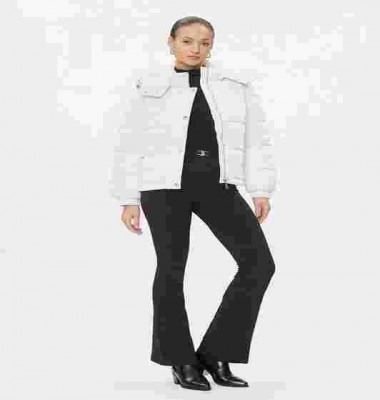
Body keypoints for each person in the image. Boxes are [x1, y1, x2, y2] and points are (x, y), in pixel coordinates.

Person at [109, 16, 277, 391]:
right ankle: (179, 358)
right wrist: (128, 198)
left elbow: (256, 139)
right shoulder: (149, 87)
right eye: (187, 41)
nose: (196, 49)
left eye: (204, 43)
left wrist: (260, 189)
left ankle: (217, 352)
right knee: (172, 269)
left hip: (218, 185)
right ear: (170, 42)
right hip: (162, 187)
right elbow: (128, 144)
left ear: (211, 47)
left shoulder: (234, 87)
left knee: (258, 264)